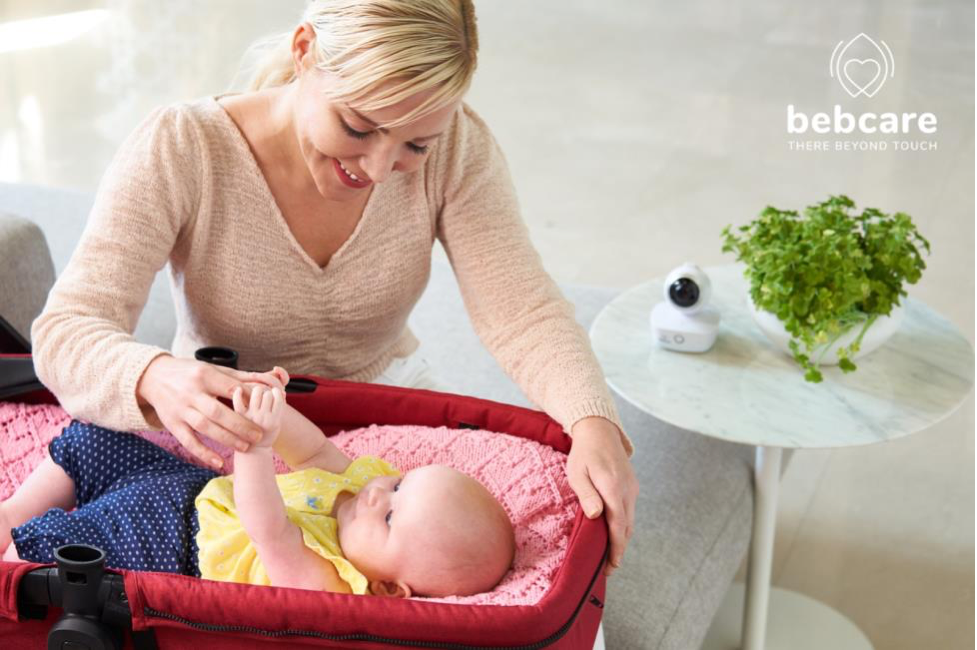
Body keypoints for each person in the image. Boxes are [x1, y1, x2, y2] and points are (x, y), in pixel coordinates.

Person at [29, 0, 638, 576]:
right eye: (358, 126)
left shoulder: (458, 148)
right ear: (304, 50)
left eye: (413, 146)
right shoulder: (182, 147)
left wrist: (592, 422)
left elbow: (522, 311)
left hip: (386, 406)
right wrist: (153, 376)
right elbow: (67, 331)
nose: (378, 169)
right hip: (229, 423)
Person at [1, 369, 516, 598]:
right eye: (402, 483)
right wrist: (265, 404)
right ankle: (14, 510)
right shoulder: (358, 487)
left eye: (390, 515)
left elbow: (268, 528)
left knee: (59, 556)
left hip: (169, 546)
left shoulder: (332, 583)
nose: (381, 493)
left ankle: (14, 543)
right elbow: (312, 448)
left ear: (387, 585)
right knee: (97, 439)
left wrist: (256, 448)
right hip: (194, 488)